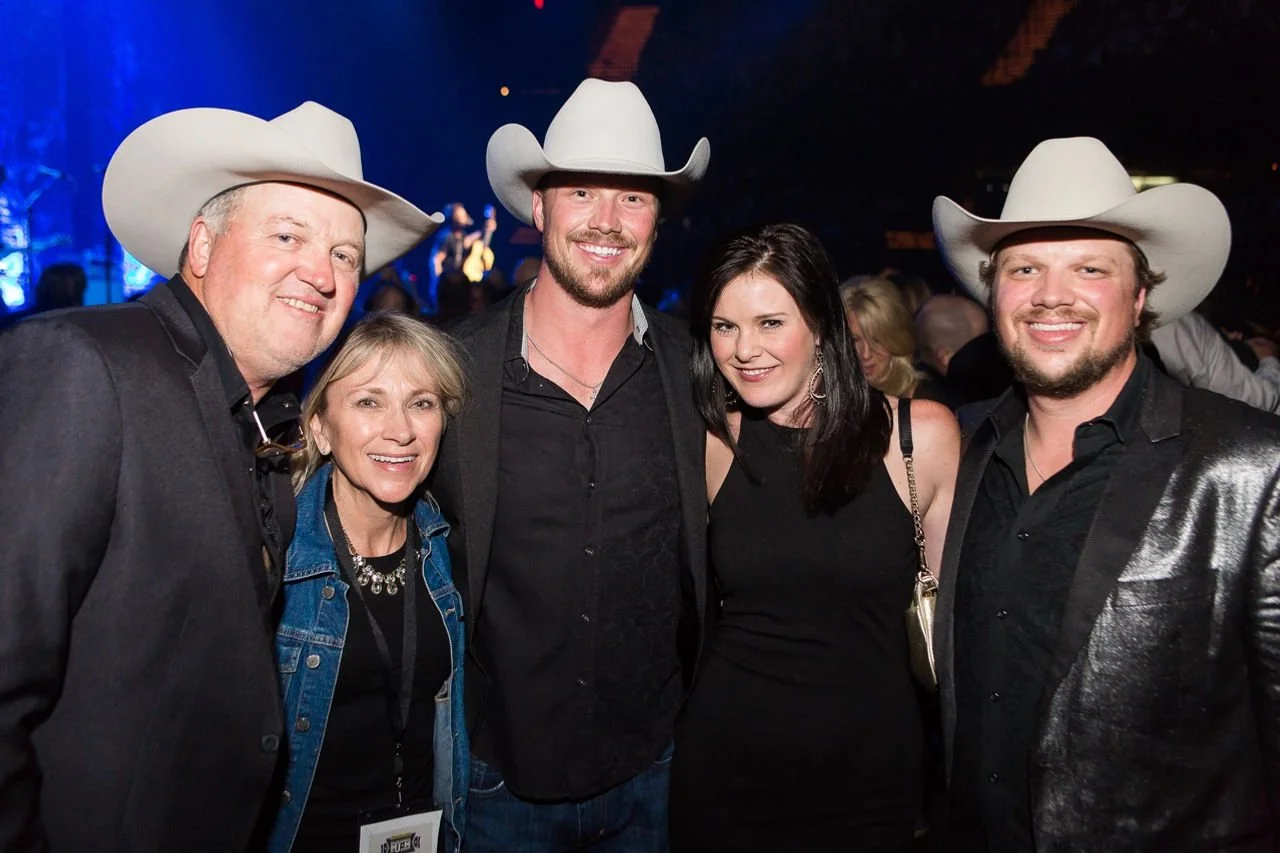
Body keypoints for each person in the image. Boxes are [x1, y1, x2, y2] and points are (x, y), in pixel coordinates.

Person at [0, 101, 440, 851]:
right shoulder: (85, 363)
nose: (323, 273)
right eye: (287, 235)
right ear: (201, 245)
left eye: (344, 254)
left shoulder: (262, 421)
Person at [931, 136, 1280, 850]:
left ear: (1141, 293)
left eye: (1090, 268)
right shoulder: (968, 452)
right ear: (994, 290)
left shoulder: (1250, 469)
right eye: (1025, 268)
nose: (1051, 295)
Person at [430, 78, 711, 851]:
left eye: (633, 198)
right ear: (542, 208)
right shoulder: (454, 373)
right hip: (494, 787)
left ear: (658, 220)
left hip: (655, 777)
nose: (607, 222)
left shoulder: (699, 373)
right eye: (583, 191)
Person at [669, 223, 960, 851]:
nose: (745, 349)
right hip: (725, 769)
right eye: (725, 326)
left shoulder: (919, 439)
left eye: (771, 323)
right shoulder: (713, 442)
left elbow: (957, 633)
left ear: (822, 325)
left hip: (870, 776)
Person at [266, 312, 468, 853]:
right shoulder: (275, 563)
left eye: (421, 403)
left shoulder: (447, 548)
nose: (400, 430)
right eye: (368, 402)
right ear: (321, 429)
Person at [841, 274, 926, 398]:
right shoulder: (826, 399)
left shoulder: (923, 402)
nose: (866, 354)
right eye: (854, 340)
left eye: (876, 340)